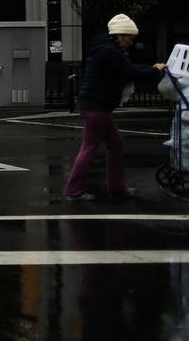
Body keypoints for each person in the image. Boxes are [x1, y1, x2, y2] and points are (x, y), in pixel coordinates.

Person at [63, 14, 166, 201]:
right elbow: (130, 71)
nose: (131, 42)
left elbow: (127, 68)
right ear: (120, 35)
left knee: (115, 144)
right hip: (97, 106)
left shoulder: (106, 49)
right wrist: (155, 70)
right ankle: (74, 190)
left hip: (95, 105)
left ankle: (116, 187)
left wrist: (150, 69)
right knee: (90, 147)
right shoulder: (109, 52)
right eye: (129, 37)